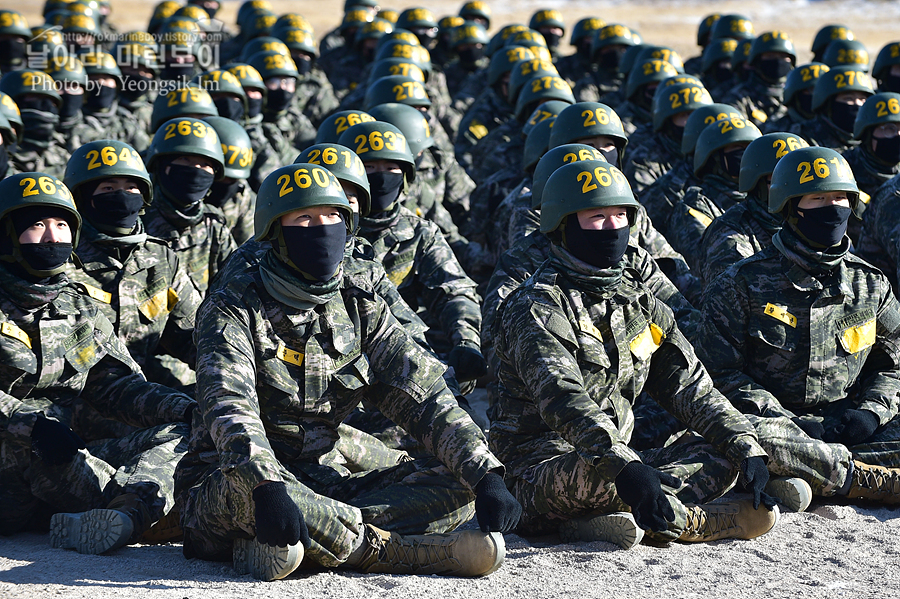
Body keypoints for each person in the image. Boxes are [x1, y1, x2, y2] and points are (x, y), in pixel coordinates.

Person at [175, 162, 521, 581]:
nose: (322, 229)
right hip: (232, 481)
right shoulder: (233, 304)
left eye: (333, 217)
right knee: (264, 497)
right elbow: (230, 409)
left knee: (458, 486)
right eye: (304, 219)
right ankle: (398, 552)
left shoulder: (359, 299)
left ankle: (306, 540)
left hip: (324, 477)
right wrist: (266, 484)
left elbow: (422, 391)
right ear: (275, 233)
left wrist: (483, 473)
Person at [490, 159, 779, 548]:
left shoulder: (639, 300)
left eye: (620, 215)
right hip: (539, 470)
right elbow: (565, 400)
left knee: (726, 446)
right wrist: (627, 468)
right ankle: (691, 521)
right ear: (563, 224)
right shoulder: (537, 305)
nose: (613, 227)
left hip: (621, 457)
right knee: (600, 475)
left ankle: (609, 519)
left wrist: (745, 447)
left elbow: (689, 385)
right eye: (597, 217)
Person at [0, 172, 195, 553]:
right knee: (30, 447)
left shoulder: (77, 302)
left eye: (61, 225)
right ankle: (152, 513)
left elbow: (113, 384)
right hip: (16, 454)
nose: (52, 237)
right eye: (36, 226)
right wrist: (29, 424)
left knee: (184, 434)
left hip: (69, 452)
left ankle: (124, 513)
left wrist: (183, 409)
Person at [699, 146, 900, 512]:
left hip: (849, 425)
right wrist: (786, 421)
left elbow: (895, 362)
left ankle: (810, 477)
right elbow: (717, 373)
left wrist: (871, 412)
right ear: (791, 206)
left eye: (839, 198)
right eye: (818, 198)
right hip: (777, 425)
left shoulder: (870, 284)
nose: (832, 208)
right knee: (743, 434)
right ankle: (858, 478)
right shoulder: (741, 283)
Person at [62, 140, 201, 388]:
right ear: (82, 197)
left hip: (141, 391)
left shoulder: (161, 258)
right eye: (108, 187)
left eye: (131, 187)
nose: (123, 195)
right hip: (81, 398)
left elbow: (194, 336)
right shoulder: (62, 259)